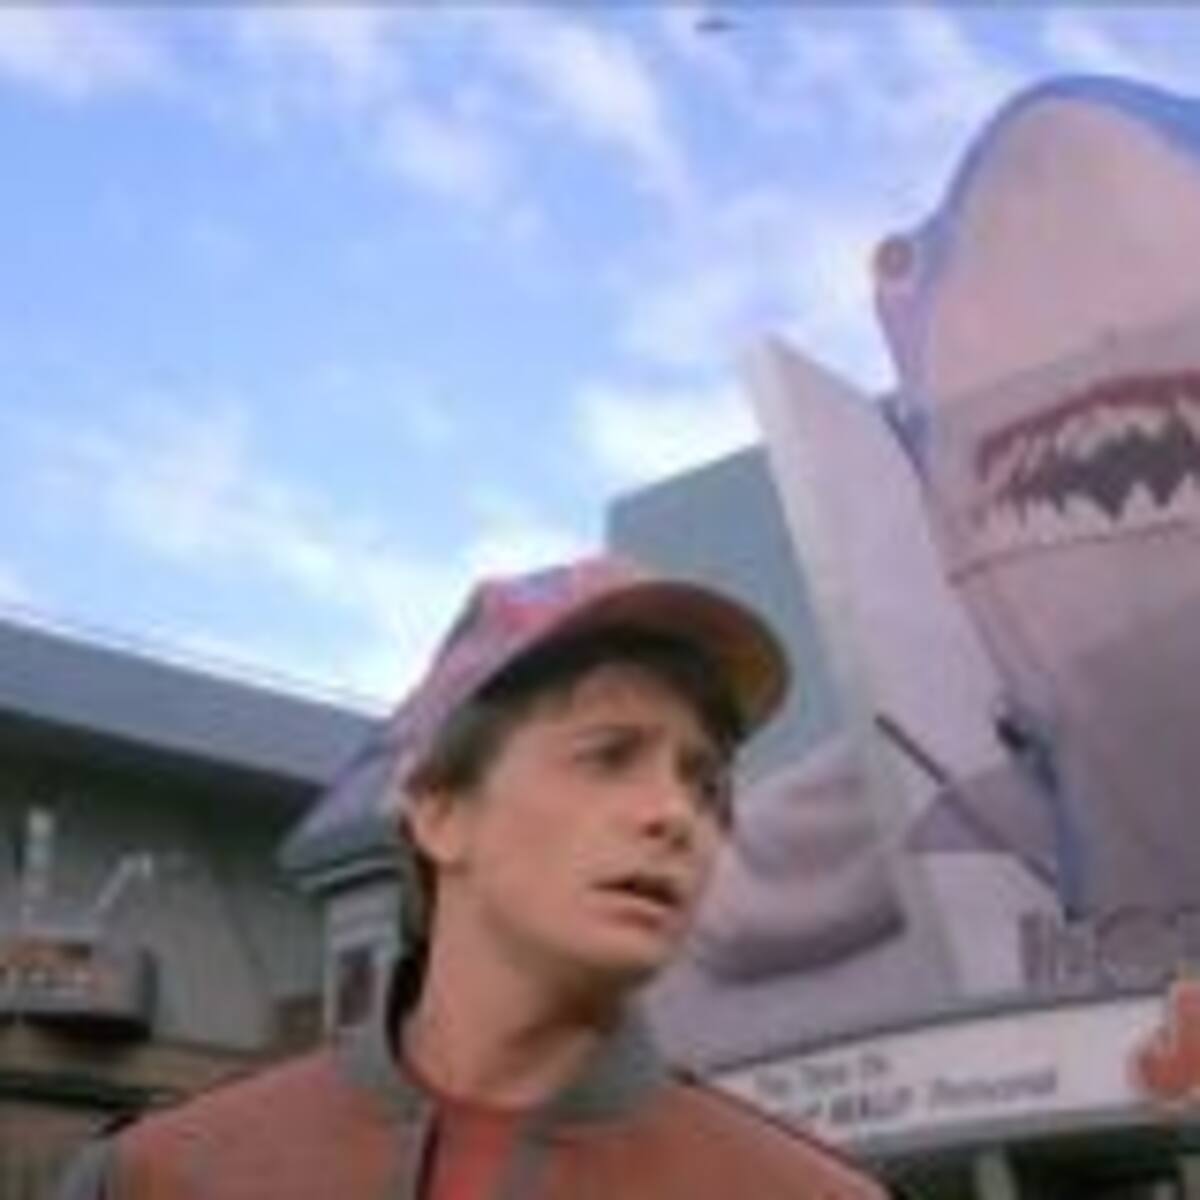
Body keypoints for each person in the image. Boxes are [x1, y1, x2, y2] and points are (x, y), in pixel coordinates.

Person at [60, 555, 888, 1199]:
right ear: (439, 811)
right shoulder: (162, 1177)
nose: (676, 815)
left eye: (706, 785)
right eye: (610, 756)